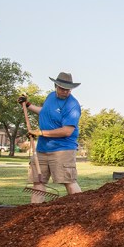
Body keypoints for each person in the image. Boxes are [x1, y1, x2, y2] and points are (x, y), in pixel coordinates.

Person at [19, 72, 83, 203]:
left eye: (68, 89)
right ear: (56, 86)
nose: (65, 91)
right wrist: (28, 105)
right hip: (43, 148)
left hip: (62, 150)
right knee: (38, 182)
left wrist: (41, 133)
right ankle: (35, 212)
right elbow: (44, 112)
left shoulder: (72, 105)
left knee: (68, 181)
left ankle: (81, 209)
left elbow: (67, 131)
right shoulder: (51, 97)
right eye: (62, 88)